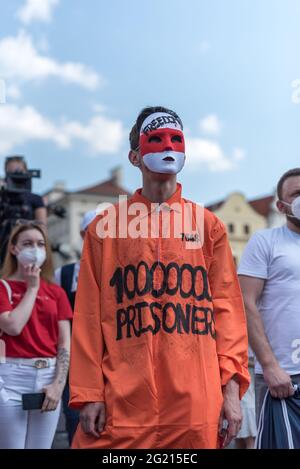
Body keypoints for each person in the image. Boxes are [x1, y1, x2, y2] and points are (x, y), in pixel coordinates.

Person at [69, 106, 250, 449]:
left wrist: (231, 391)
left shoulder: (208, 225)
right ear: (134, 156)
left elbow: (226, 311)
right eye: (155, 139)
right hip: (123, 401)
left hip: (194, 401)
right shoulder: (105, 229)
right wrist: (89, 393)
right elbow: (89, 317)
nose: (167, 147)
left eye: (176, 139)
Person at [0, 220, 72, 449]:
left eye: (41, 244)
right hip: (10, 378)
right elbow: (12, 326)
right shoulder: (3, 287)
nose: (35, 249)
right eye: (28, 243)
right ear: (14, 249)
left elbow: (64, 343)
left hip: (48, 376)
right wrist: (32, 288)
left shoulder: (56, 292)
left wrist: (58, 385)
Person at [238, 168, 300, 424]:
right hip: (283, 377)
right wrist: (270, 366)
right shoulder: (265, 242)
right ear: (281, 205)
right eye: (296, 194)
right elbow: (245, 303)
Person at [54, 209, 97, 446]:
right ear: (83, 234)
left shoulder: (120, 271)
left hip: (110, 362)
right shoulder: (64, 274)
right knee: (75, 423)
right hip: (74, 362)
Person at [4, 156, 47, 226]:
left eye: (19, 172)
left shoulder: (36, 199)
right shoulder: (2, 197)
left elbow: (42, 226)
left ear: (26, 172)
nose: (16, 176)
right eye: (12, 172)